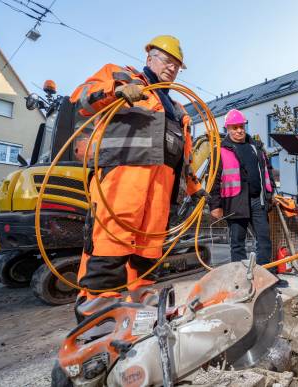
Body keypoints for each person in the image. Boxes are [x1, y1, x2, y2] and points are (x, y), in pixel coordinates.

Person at [71, 35, 206, 321]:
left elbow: (184, 156)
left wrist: (195, 189)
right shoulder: (120, 76)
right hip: (123, 177)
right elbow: (82, 98)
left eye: (177, 66)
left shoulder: (178, 110)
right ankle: (99, 308)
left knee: (149, 245)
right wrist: (116, 90)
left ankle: (140, 300)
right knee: (112, 238)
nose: (172, 69)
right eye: (167, 61)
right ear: (149, 58)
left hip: (161, 186)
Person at [209, 109, 276, 267]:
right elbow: (214, 181)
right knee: (238, 243)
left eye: (241, 127)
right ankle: (239, 280)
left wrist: (270, 192)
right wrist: (215, 206)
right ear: (228, 129)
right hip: (235, 202)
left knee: (264, 240)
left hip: (257, 201)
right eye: (235, 127)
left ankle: (264, 275)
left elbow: (268, 171)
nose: (239, 130)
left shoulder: (256, 147)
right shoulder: (220, 150)